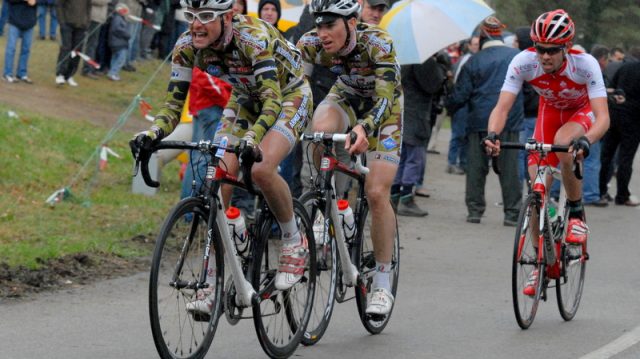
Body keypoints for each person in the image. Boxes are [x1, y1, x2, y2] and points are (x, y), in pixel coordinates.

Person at [130, 0, 313, 312]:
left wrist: (253, 140)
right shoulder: (187, 45)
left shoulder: (251, 39)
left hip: (288, 97)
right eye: (191, 16)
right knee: (217, 176)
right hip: (244, 98)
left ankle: (294, 239)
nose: (195, 24)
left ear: (228, 16)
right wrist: (153, 134)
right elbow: (173, 107)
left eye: (205, 17)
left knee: (261, 168)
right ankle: (214, 281)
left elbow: (271, 101)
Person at [485, 10, 610, 296]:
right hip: (550, 112)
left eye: (552, 51)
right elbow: (502, 106)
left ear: (566, 47)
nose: (545, 56)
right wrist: (492, 134)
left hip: (582, 111)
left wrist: (587, 140)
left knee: (565, 142)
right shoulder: (523, 62)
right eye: (540, 49)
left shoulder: (585, 64)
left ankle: (576, 214)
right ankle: (541, 264)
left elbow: (603, 117)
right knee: (536, 191)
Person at [297, 0, 402, 315]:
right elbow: (289, 81)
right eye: (319, 25)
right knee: (320, 130)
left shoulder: (379, 43)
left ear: (352, 23)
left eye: (331, 25)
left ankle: (382, 281)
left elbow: (384, 98)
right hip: (345, 94)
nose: (323, 33)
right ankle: (327, 205)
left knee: (376, 191)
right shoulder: (311, 44)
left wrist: (365, 127)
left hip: (384, 109)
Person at [447, 15, 523, 226]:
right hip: (509, 120)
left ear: (482, 37)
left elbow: (461, 95)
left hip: (479, 122)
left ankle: (475, 211)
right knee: (509, 170)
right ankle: (512, 213)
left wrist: (448, 104)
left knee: (476, 169)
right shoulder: (516, 57)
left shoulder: (474, 60)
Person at [599, 60, 640, 207]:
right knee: (626, 158)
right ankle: (622, 195)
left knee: (606, 156)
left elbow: (612, 87)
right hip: (634, 119)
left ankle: (601, 191)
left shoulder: (626, 66)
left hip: (615, 115)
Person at [446, 36, 479, 175]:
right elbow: (457, 82)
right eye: (475, 44)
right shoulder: (467, 59)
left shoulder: (471, 59)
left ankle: (462, 163)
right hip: (461, 103)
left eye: (478, 44)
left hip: (466, 103)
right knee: (458, 134)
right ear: (469, 46)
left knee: (465, 135)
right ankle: (452, 163)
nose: (477, 46)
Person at [55, 0, 91, 87]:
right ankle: (61, 74)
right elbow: (59, 5)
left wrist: (87, 22)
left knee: (77, 51)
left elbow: (89, 7)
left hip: (81, 25)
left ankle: (69, 75)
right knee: (66, 48)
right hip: (67, 23)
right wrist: (62, 22)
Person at [3, 0, 37, 84]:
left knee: (26, 49)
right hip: (14, 20)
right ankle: (8, 73)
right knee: (11, 48)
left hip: (29, 21)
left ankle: (22, 73)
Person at [82, 0, 110, 79]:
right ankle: (87, 69)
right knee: (91, 45)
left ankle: (92, 67)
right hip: (94, 18)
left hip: (99, 19)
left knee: (95, 45)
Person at [107, 3, 131, 81]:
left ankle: (113, 72)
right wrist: (127, 34)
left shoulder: (118, 18)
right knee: (121, 59)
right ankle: (113, 73)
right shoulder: (118, 18)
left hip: (116, 42)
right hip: (119, 43)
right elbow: (116, 29)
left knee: (115, 58)